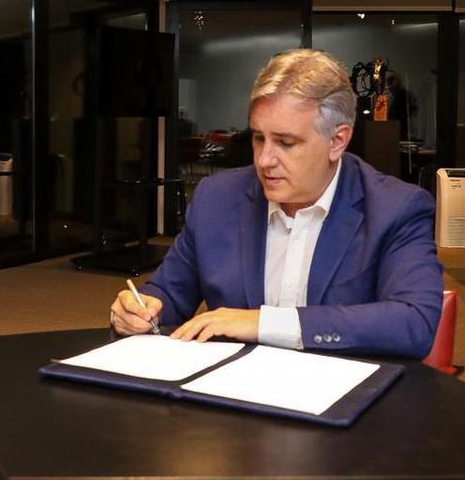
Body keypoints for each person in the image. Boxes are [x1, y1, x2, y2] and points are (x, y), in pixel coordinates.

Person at [110, 49, 441, 358]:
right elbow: (168, 294)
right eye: (258, 138)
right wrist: (142, 309)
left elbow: (414, 322)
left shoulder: (396, 208)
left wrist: (261, 323)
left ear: (337, 141)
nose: (264, 160)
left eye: (285, 142)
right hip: (232, 389)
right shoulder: (216, 198)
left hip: (341, 390)